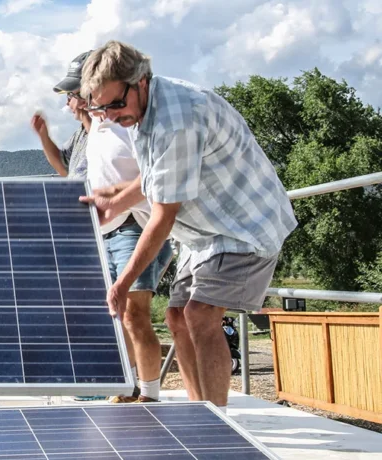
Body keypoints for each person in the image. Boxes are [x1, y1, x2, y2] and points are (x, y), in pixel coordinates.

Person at [78, 40, 297, 412]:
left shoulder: (175, 121)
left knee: (200, 315)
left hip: (243, 225)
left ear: (141, 81)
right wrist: (115, 200)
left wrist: (123, 283)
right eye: (102, 107)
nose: (111, 115)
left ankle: (217, 422)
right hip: (203, 234)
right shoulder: (139, 110)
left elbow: (162, 217)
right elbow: (152, 177)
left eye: (116, 104)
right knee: (176, 317)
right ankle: (199, 411)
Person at [46, 50, 171, 403]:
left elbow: (156, 174)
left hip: (136, 225)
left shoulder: (129, 123)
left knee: (134, 313)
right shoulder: (95, 130)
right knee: (117, 315)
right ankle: (128, 388)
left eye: (76, 94)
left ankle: (149, 395)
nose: (75, 100)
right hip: (106, 231)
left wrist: (118, 201)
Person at [30, 50, 92, 179]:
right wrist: (44, 137)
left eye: (71, 94)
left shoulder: (113, 129)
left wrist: (84, 114)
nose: (68, 101)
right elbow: (64, 168)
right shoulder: (81, 133)